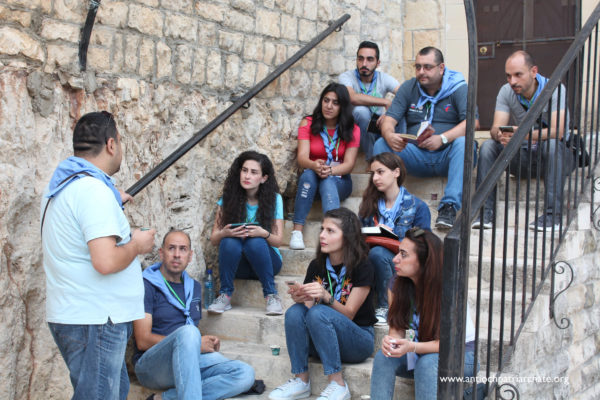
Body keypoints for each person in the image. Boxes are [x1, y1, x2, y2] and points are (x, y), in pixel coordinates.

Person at [40, 111, 156, 400]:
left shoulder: (66, 185)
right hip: (96, 319)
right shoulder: (93, 192)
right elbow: (105, 261)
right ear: (111, 145)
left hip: (81, 315)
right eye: (120, 142)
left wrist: (110, 198)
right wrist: (137, 245)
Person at [133, 230, 255, 400]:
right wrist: (195, 344)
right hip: (152, 367)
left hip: (187, 361)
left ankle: (165, 398)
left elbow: (187, 335)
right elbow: (142, 341)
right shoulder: (146, 285)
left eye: (183, 249)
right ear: (161, 253)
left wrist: (203, 342)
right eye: (171, 248)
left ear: (190, 256)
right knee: (190, 332)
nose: (177, 255)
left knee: (244, 373)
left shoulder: (194, 287)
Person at [270, 207, 376, 400]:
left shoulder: (363, 265)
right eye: (322, 229)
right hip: (323, 338)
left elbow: (350, 313)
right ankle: (301, 381)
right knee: (295, 312)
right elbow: (308, 313)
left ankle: (338, 384)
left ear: (348, 237)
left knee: (319, 313)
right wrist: (302, 298)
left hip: (358, 340)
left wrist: (326, 296)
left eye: (330, 231)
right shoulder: (316, 266)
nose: (322, 235)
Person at [369, 228, 477, 400]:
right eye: (398, 252)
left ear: (425, 261)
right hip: (421, 352)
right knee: (384, 357)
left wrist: (412, 347)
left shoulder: (449, 288)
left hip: (462, 356)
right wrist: (391, 343)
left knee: (426, 364)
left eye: (404, 254)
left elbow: (448, 345)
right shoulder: (396, 284)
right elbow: (396, 330)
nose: (395, 259)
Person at [373, 46, 474, 229]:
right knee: (381, 144)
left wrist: (442, 138)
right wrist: (389, 134)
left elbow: (472, 123)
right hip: (416, 155)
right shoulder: (409, 87)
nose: (421, 72)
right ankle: (386, 206)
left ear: (441, 68)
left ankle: (449, 207)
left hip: (448, 155)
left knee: (464, 143)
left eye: (427, 67)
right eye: (418, 67)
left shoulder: (458, 87)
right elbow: (389, 120)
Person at [473, 50, 572, 232]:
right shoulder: (506, 91)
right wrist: (500, 135)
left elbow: (557, 132)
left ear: (533, 72)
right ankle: (485, 213)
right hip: (525, 158)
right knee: (488, 146)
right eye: (508, 76)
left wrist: (521, 134)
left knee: (551, 145)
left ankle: (553, 217)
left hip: (555, 158)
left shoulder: (555, 89)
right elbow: (495, 128)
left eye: (518, 74)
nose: (512, 81)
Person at [358, 152, 431, 325]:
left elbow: (424, 245)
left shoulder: (418, 207)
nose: (375, 178)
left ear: (396, 172)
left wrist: (396, 238)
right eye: (373, 173)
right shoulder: (369, 205)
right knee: (371, 254)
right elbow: (357, 237)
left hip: (402, 261)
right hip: (372, 259)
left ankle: (385, 306)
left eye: (380, 172)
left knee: (378, 253)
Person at [208, 151, 284, 315]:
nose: (247, 176)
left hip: (268, 262)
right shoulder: (228, 198)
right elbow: (214, 239)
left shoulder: (275, 199)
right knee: (228, 241)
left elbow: (278, 241)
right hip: (239, 265)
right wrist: (225, 233)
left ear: (264, 178)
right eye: (244, 170)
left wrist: (263, 234)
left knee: (255, 241)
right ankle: (225, 295)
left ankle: (271, 295)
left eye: (254, 172)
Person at [289, 83, 360, 250]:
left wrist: (331, 170)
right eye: (326, 100)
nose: (329, 106)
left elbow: (349, 164)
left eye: (335, 103)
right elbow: (302, 158)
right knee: (308, 175)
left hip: (340, 181)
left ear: (343, 106)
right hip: (312, 180)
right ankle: (297, 232)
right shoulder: (307, 123)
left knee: (328, 180)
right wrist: (314, 165)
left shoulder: (353, 129)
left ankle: (334, 233)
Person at [339, 41, 400, 158]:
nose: (364, 64)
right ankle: (371, 159)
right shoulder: (346, 77)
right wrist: (386, 102)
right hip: (354, 127)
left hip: (377, 126)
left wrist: (389, 114)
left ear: (378, 63)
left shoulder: (384, 78)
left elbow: (404, 95)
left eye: (370, 59)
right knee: (361, 111)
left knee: (401, 115)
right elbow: (353, 98)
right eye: (360, 59)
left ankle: (398, 157)